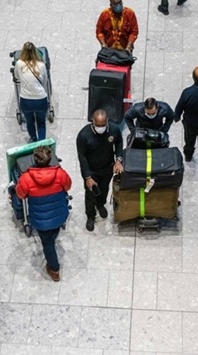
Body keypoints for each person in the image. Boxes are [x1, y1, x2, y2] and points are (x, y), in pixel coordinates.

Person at [15, 146, 72, 282]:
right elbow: (68, 186)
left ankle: (54, 269)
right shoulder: (60, 174)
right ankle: (52, 244)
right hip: (59, 214)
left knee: (47, 244)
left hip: (40, 219)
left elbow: (20, 195)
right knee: (53, 235)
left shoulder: (26, 178)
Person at [76, 109, 123, 232]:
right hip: (92, 172)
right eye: (98, 124)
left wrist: (118, 160)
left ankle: (101, 204)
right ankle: (90, 215)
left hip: (107, 168)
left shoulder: (114, 129)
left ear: (107, 121)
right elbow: (82, 157)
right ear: (93, 121)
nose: (100, 127)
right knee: (91, 194)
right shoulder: (83, 135)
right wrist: (87, 177)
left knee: (104, 189)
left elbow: (118, 143)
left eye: (103, 125)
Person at [14, 42, 49, 142]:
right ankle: (42, 144)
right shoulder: (41, 65)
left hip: (26, 100)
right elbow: (45, 81)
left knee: (30, 121)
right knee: (41, 122)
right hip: (40, 99)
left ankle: (34, 139)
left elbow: (16, 77)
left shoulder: (19, 64)